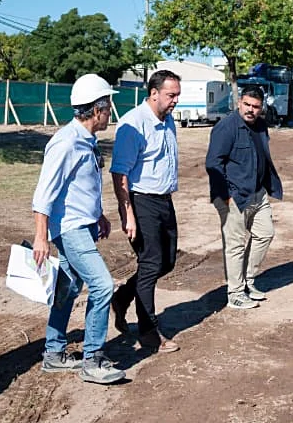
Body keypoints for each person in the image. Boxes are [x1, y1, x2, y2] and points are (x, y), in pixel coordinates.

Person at [31, 74, 125, 385]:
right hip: (69, 229)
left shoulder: (87, 140)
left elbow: (82, 187)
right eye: (108, 106)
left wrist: (98, 215)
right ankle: (93, 360)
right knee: (102, 285)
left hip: (83, 225)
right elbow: (44, 193)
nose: (111, 112)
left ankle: (54, 353)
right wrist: (40, 237)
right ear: (97, 110)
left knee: (68, 288)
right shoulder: (65, 142)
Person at [110, 70, 182, 354]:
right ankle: (149, 333)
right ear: (153, 93)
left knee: (167, 261)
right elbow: (120, 174)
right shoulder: (133, 124)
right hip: (140, 202)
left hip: (164, 200)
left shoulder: (168, 121)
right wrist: (128, 214)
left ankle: (122, 298)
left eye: (177, 95)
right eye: (171, 95)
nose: (176, 100)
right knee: (151, 264)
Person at [205, 87, 284, 310]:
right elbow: (213, 163)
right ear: (239, 102)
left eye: (256, 106)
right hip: (233, 196)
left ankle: (247, 281)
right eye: (247, 104)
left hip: (257, 193)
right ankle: (235, 293)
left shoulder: (260, 125)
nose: (251, 110)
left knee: (265, 233)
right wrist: (225, 194)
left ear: (261, 108)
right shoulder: (226, 127)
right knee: (235, 245)